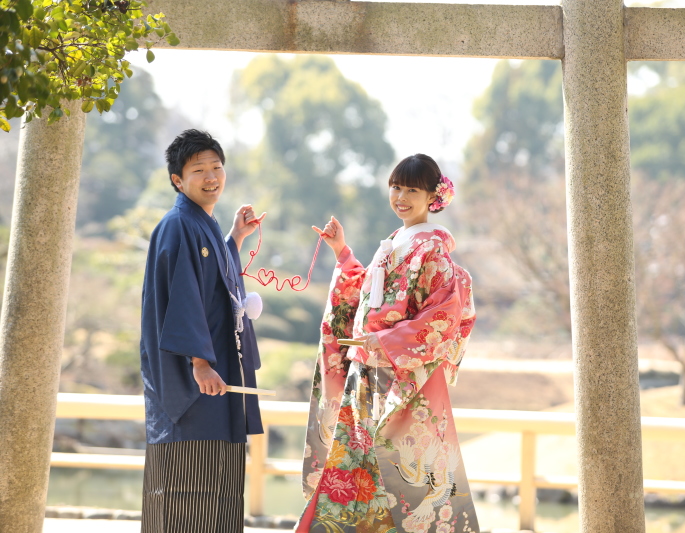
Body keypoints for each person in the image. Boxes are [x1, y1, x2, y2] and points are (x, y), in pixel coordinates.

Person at [297, 154, 479, 533]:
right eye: (396, 187)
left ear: (433, 196)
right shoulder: (394, 242)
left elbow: (442, 315)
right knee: (355, 466)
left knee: (407, 475)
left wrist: (382, 339)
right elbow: (368, 295)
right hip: (366, 375)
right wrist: (342, 253)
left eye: (412, 190)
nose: (401, 196)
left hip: (403, 379)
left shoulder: (432, 249)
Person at [139, 129, 266, 533]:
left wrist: (234, 239)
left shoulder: (202, 224)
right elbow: (185, 298)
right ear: (178, 179)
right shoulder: (178, 225)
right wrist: (200, 362)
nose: (212, 176)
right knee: (185, 490)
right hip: (194, 385)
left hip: (215, 377)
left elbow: (212, 279)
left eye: (217, 167)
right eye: (199, 170)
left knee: (215, 492)